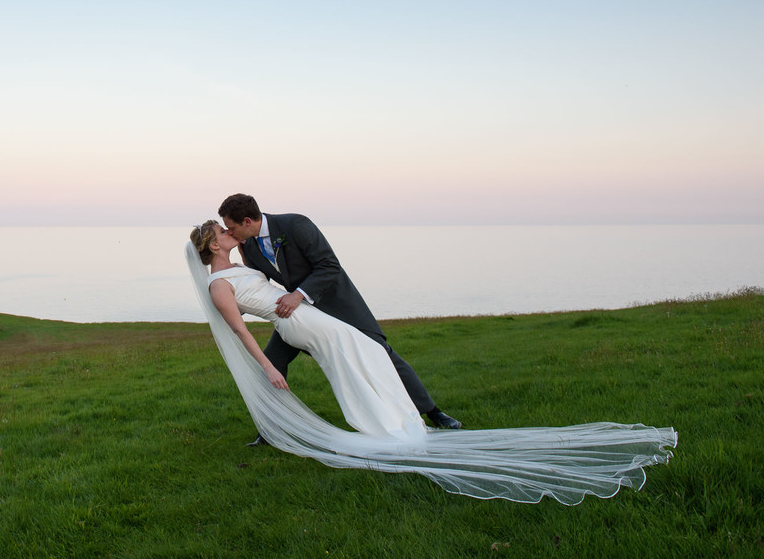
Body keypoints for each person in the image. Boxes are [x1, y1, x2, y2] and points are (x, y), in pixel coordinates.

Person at [185, 221, 678, 504]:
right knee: (360, 362)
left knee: (371, 356)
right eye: (220, 232)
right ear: (211, 245)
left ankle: (406, 419)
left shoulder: (243, 260)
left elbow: (289, 273)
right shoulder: (219, 283)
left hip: (307, 313)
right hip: (297, 323)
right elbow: (240, 327)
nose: (230, 233)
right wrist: (269, 368)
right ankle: (384, 428)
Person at [218, 193, 461, 433]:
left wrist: (298, 294)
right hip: (300, 317)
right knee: (271, 363)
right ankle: (272, 429)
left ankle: (432, 412)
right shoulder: (248, 246)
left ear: (247, 222)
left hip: (338, 304)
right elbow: (261, 282)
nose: (229, 233)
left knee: (380, 352)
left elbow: (329, 265)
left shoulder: (295, 225)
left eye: (231, 227)